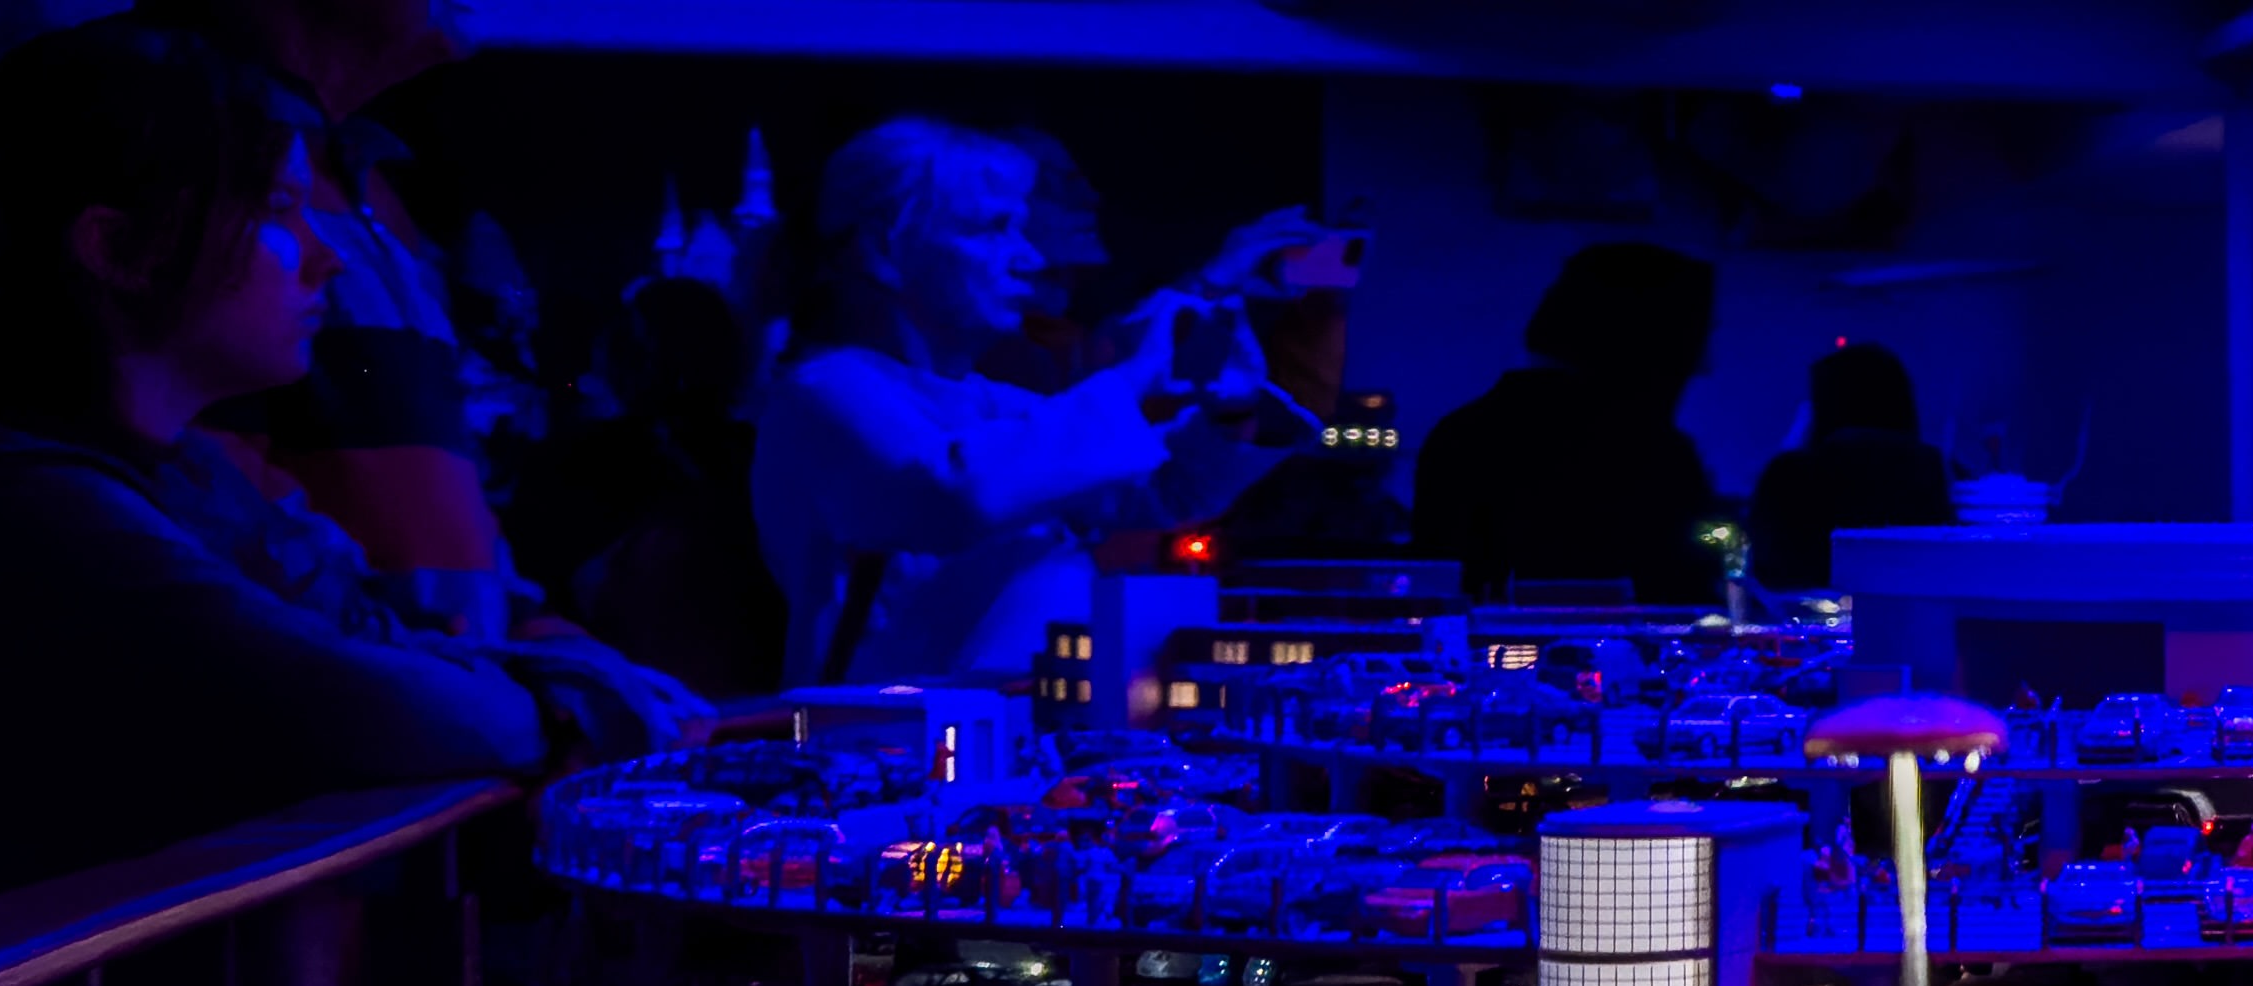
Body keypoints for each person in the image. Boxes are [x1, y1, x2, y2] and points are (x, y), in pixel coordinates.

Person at [0, 19, 693, 929]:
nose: (326, 255)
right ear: (118, 248)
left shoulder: (175, 476)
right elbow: (365, 704)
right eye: (280, 210)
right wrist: (571, 707)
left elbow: (378, 635)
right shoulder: (9, 496)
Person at [750, 120, 1296, 682]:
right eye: (994, 229)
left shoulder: (989, 401)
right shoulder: (822, 392)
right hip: (881, 732)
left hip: (1003, 728)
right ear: (883, 249)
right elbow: (953, 497)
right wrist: (1132, 378)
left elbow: (1163, 491)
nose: (1030, 258)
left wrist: (1233, 412)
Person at [136, 0, 509, 590]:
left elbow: (445, 514)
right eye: (279, 205)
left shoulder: (373, 189)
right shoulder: (175, 145)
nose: (325, 257)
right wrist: (388, 635)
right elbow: (183, 475)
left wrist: (528, 626)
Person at [506, 271, 785, 703]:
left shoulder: (579, 460)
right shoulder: (761, 452)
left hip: (631, 706)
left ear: (636, 354)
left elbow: (531, 587)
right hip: (766, 699)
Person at [1412, 241, 1722, 602]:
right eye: (1694, 339)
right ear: (1648, 338)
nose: (1705, 366)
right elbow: (1681, 602)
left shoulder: (1461, 435)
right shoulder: (1652, 455)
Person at [1740, 339, 1959, 591]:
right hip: (1910, 611)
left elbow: (1765, 563)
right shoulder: (1929, 468)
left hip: (1803, 612)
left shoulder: (1794, 472)